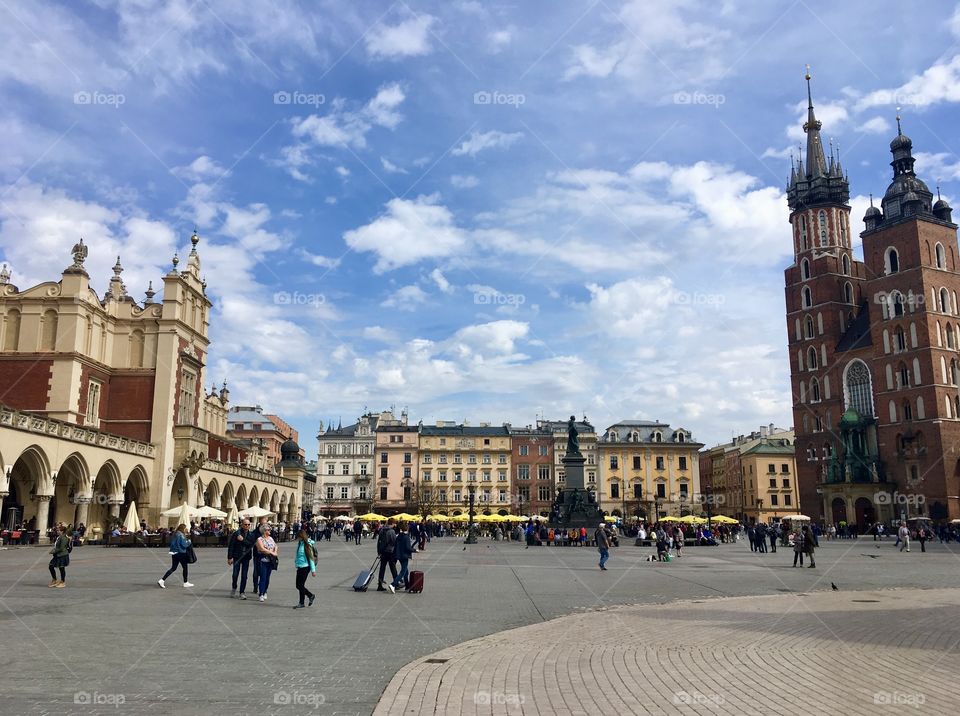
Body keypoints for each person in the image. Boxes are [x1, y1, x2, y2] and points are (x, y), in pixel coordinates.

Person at [227, 518, 256, 599]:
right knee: (235, 574)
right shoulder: (236, 534)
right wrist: (229, 557)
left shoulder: (251, 535)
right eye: (245, 524)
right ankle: (234, 587)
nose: (247, 526)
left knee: (244, 575)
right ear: (242, 525)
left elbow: (251, 545)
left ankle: (242, 592)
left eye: (248, 524)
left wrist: (242, 540)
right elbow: (231, 546)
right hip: (237, 556)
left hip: (246, 557)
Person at [159, 524, 193, 588]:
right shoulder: (181, 535)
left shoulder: (175, 534)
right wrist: (188, 542)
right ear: (183, 528)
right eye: (185, 528)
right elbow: (184, 544)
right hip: (181, 552)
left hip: (174, 552)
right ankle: (185, 582)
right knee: (185, 567)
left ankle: (162, 580)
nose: (186, 529)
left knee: (173, 568)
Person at [292, 528, 317, 609]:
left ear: (302, 536)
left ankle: (302, 602)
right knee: (298, 585)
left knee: (300, 585)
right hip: (300, 567)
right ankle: (310, 595)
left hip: (305, 567)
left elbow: (311, 558)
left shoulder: (307, 545)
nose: (297, 538)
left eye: (298, 537)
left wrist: (313, 570)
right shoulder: (300, 543)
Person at [256, 525, 278, 602]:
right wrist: (272, 552)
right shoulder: (259, 539)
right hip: (263, 560)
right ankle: (261, 593)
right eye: (268, 530)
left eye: (270, 529)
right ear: (264, 531)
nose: (270, 531)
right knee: (263, 577)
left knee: (267, 578)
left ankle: (265, 591)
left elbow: (275, 545)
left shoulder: (271, 538)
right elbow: (261, 549)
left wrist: (274, 552)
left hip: (270, 561)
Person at [390, 522, 414, 593]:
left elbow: (396, 546)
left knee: (406, 571)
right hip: (404, 556)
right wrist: (415, 550)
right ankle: (393, 584)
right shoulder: (406, 537)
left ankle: (407, 586)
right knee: (403, 571)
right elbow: (408, 548)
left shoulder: (399, 536)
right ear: (407, 528)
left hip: (399, 555)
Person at [376, 518, 398, 592]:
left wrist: (379, 552)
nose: (395, 525)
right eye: (395, 524)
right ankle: (396, 583)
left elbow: (379, 542)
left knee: (382, 568)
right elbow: (394, 542)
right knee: (393, 568)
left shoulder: (382, 530)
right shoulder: (391, 531)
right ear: (392, 523)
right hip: (390, 552)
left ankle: (380, 584)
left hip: (383, 552)